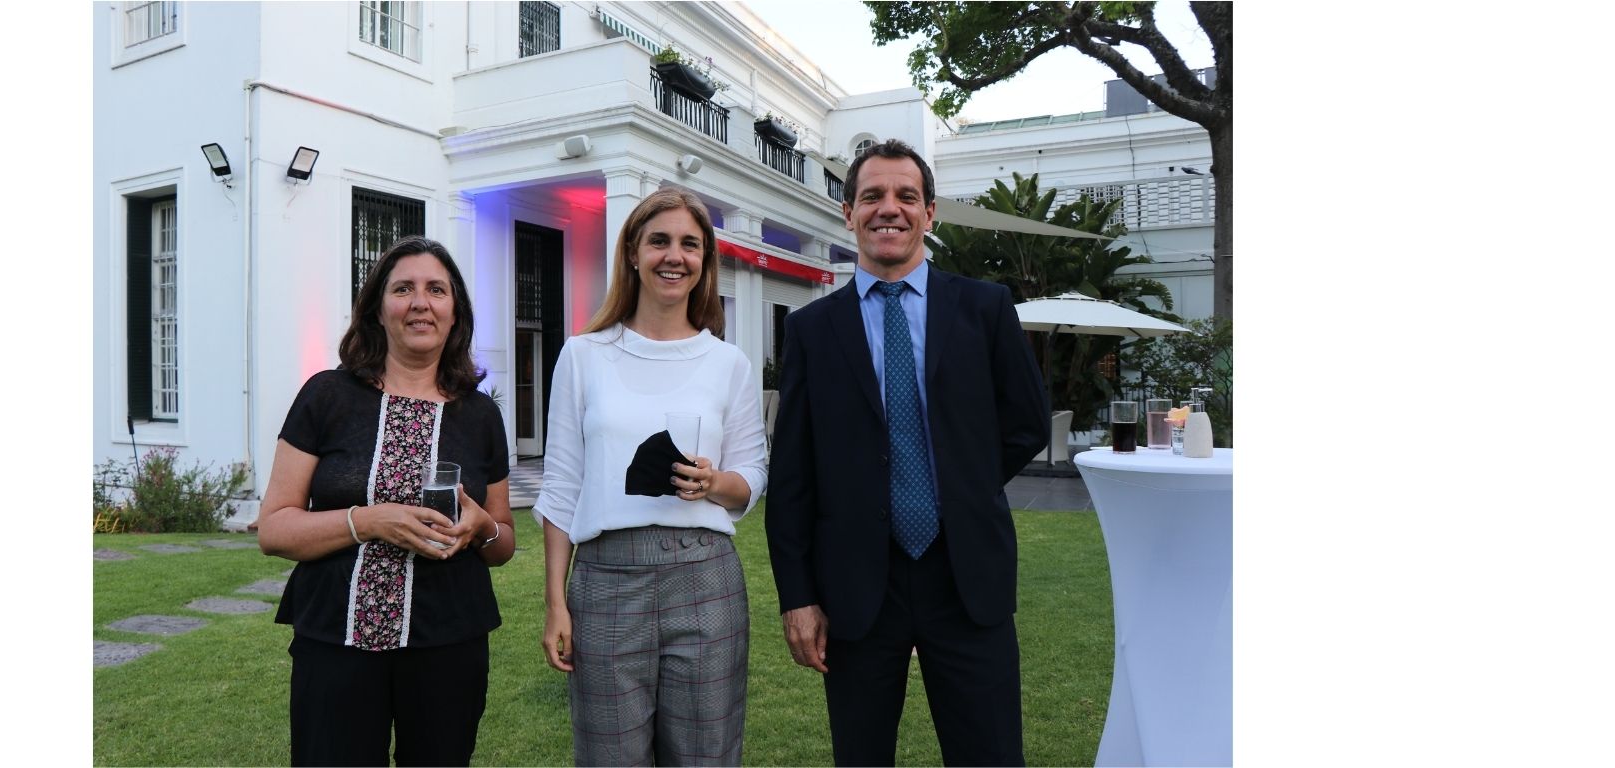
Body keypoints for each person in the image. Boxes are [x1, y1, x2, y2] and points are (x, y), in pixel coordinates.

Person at [765, 139, 1048, 767]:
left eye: (905, 197)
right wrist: (797, 595)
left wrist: (956, 485)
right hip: (857, 589)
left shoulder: (986, 308)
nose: (888, 209)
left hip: (966, 574)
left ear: (930, 213)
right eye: (872, 196)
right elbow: (792, 475)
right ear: (848, 213)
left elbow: (1026, 422)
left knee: (991, 756)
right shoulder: (812, 330)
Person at [255, 235, 516, 767]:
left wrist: (481, 526)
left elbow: (503, 541)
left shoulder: (481, 415)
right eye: (403, 289)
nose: (420, 302)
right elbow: (274, 529)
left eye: (436, 290)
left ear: (454, 311)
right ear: (377, 308)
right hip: (336, 642)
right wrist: (367, 522)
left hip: (449, 643)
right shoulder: (326, 395)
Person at [534, 187, 769, 766]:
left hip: (705, 580)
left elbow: (752, 475)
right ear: (633, 253)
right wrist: (555, 603)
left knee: (706, 756)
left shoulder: (728, 363)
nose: (675, 255)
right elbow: (562, 485)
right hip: (607, 581)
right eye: (659, 240)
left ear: (704, 263)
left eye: (690, 244)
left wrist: (715, 484)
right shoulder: (583, 356)